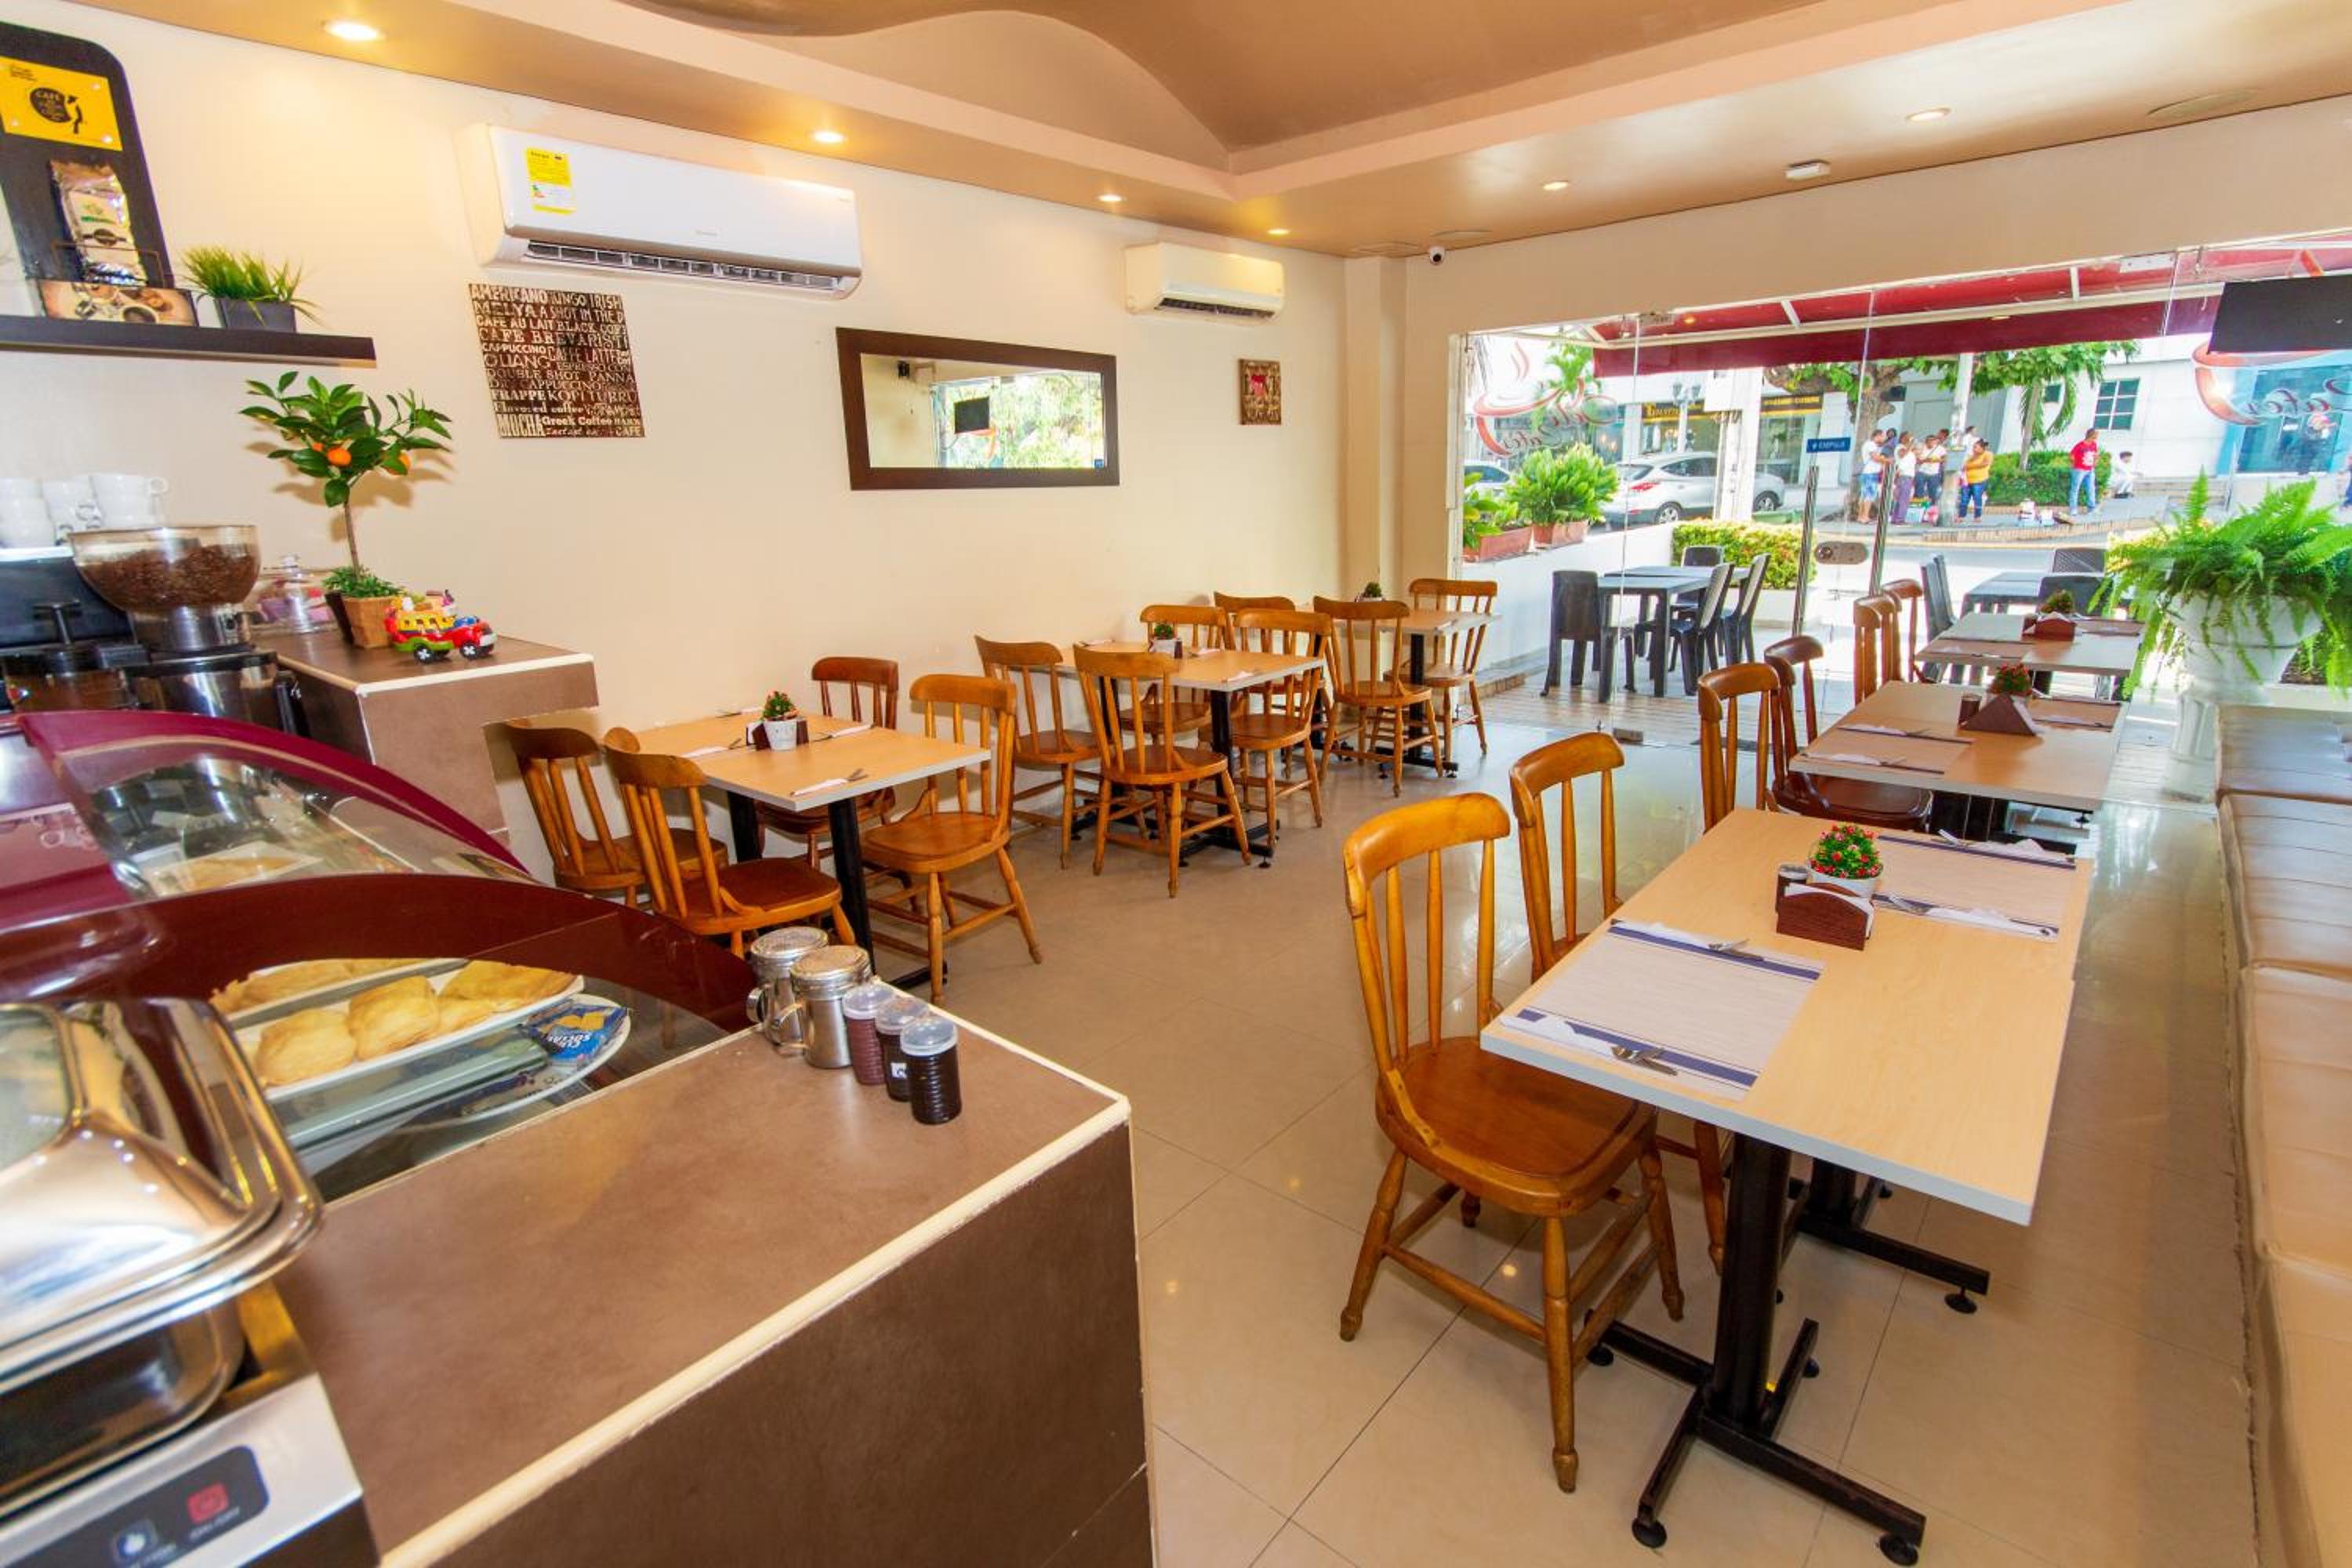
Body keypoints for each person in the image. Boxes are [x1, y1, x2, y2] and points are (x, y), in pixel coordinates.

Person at [1857, 430, 1887, 522]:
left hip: (1867, 473)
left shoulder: (1869, 444)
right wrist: (1887, 460)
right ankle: (1865, 516)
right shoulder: (1871, 444)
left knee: (1864, 495)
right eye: (1883, 436)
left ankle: (1860, 516)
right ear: (1877, 436)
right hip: (1871, 473)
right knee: (1870, 494)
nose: (1884, 438)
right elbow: (1875, 458)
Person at [1959, 437, 1992, 521]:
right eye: (1973, 447)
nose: (1974, 449)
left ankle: (1977, 516)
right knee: (1964, 499)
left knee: (1977, 498)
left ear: (1982, 448)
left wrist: (1969, 466)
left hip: (1979, 480)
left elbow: (1985, 464)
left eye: (1976, 447)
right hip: (1967, 481)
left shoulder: (1988, 454)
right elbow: (1963, 466)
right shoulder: (1971, 456)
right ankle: (1961, 516)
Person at [2068, 429, 2101, 511]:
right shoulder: (2080, 445)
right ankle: (2073, 509)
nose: (2097, 436)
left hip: (2090, 470)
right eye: (2096, 434)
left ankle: (2091, 508)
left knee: (2091, 488)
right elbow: (2071, 456)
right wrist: (2076, 464)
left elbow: (2096, 455)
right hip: (2079, 470)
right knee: (2075, 489)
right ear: (2091, 435)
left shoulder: (2094, 444)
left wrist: (2096, 461)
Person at [1919, 430, 1947, 523]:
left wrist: (1937, 460)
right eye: (1929, 441)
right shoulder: (1922, 447)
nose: (1931, 443)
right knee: (1919, 492)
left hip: (1934, 473)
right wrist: (1925, 460)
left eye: (1933, 441)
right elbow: (1918, 458)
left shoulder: (1940, 449)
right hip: (1922, 471)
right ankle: (1920, 512)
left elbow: (1945, 458)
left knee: (1933, 494)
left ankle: (1931, 513)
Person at [1891, 434, 1918, 523]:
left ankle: (1896, 518)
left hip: (1908, 476)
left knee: (1901, 498)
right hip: (1904, 476)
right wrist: (1911, 444)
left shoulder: (1909, 450)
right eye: (1909, 436)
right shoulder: (1900, 447)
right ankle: (1900, 519)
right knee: (1903, 498)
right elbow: (1902, 454)